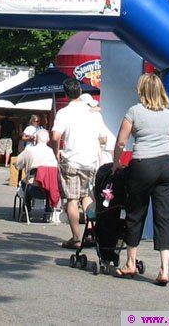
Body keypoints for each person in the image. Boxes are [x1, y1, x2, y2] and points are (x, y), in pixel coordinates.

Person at [112, 73, 169, 286]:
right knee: (165, 217)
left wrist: (116, 163)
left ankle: (131, 263)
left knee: (136, 213)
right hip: (168, 166)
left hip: (143, 165)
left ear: (142, 91)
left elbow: (121, 142)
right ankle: (164, 269)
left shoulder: (134, 111)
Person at [50, 78, 107, 249]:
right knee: (87, 197)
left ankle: (75, 237)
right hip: (90, 162)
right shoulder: (94, 113)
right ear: (80, 92)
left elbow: (54, 136)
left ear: (66, 94)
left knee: (72, 199)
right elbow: (103, 138)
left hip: (71, 160)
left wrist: (56, 151)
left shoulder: (64, 113)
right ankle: (89, 231)